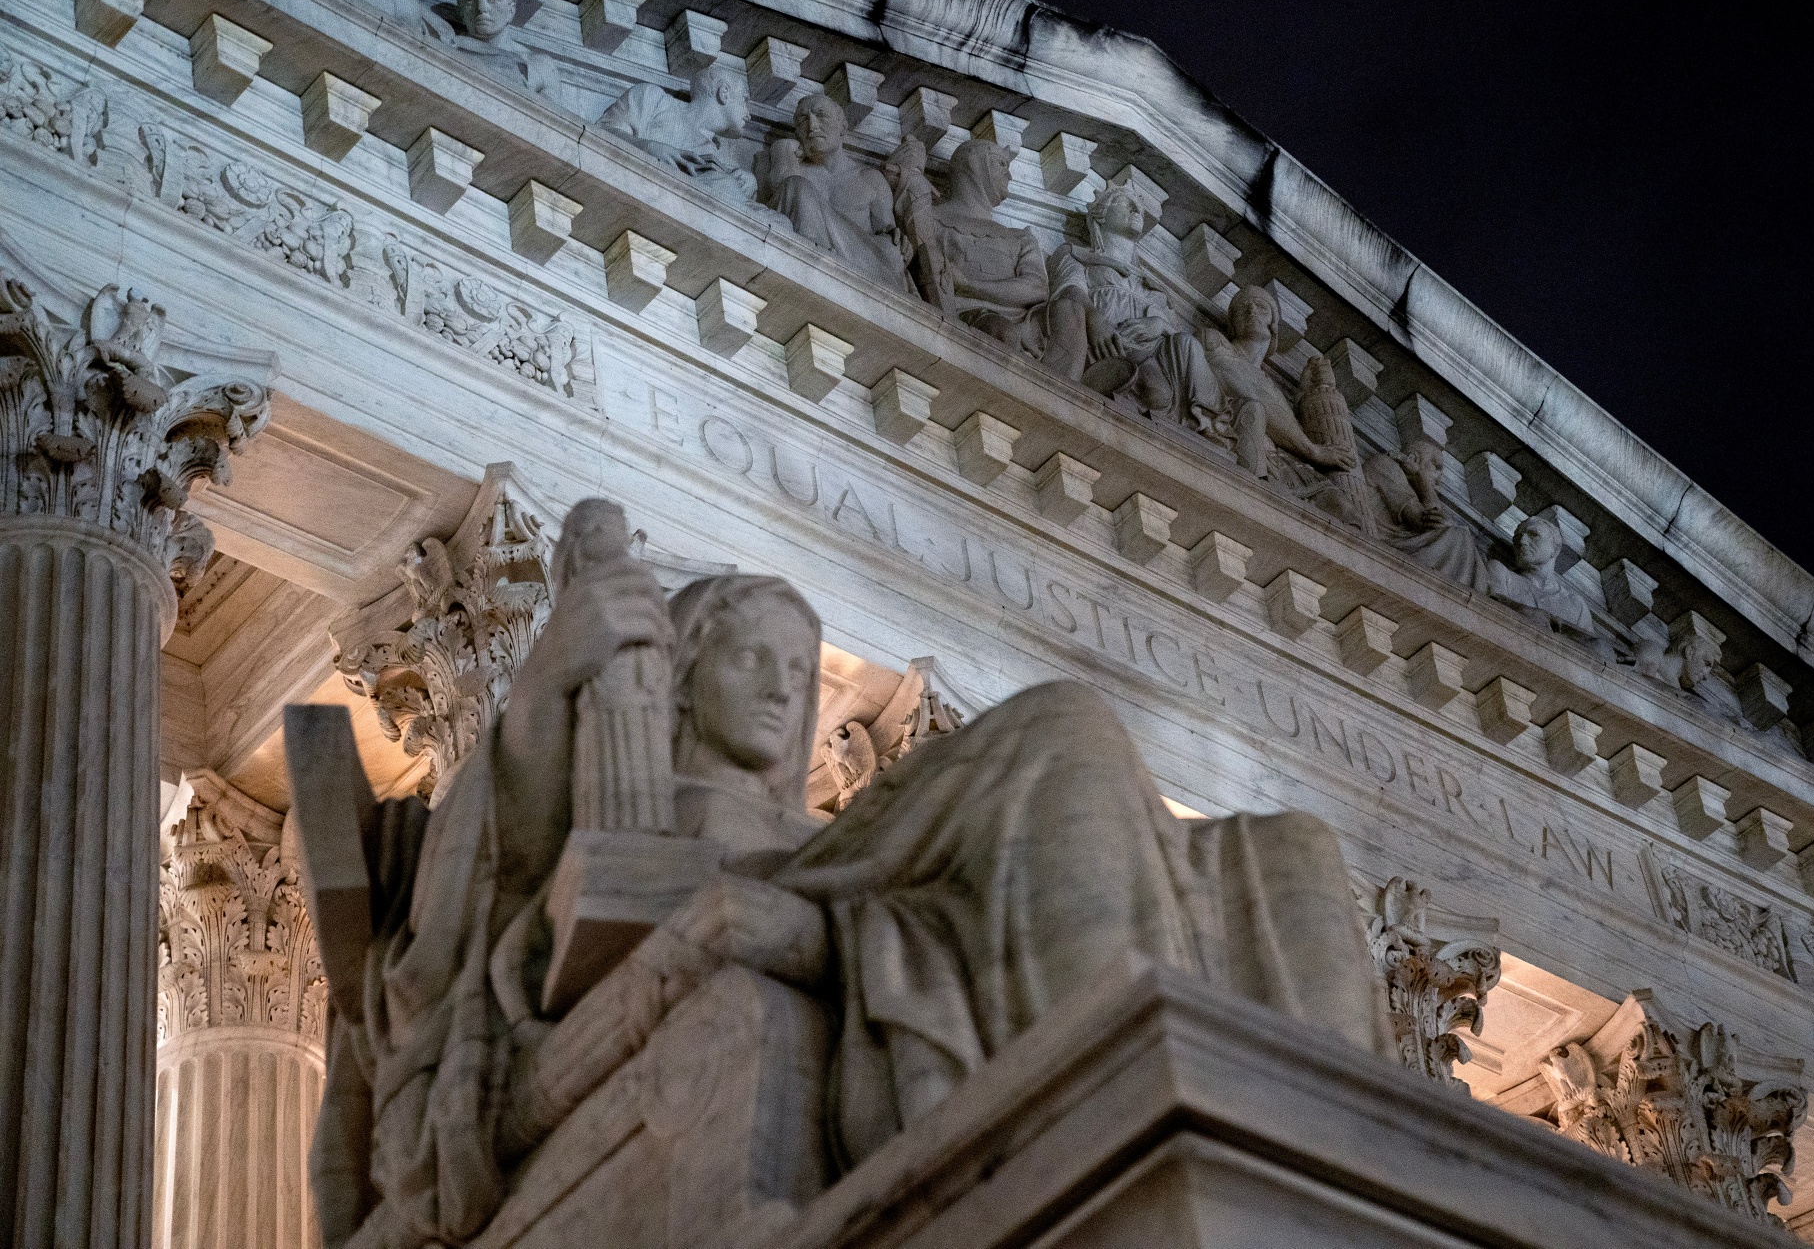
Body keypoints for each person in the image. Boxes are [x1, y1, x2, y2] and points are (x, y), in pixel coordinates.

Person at [310, 501, 1393, 1241]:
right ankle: (1115, 1119)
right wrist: (549, 679)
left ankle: (1349, 1185)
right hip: (773, 918)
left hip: (851, 889)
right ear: (682, 674)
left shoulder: (815, 824)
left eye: (798, 666)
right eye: (752, 659)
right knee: (1065, 729)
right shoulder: (601, 787)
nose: (786, 689)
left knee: (1290, 852)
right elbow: (450, 961)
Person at [1044, 184, 1221, 434]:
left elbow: (1166, 322)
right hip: (1101, 342)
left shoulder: (1151, 285)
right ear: (1099, 215)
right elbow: (1068, 290)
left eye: (1138, 205)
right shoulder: (1075, 255)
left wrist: (1158, 325)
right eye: (1123, 202)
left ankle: (1210, 426)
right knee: (1150, 389)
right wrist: (1094, 318)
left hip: (1147, 350)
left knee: (1169, 378)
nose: (1135, 209)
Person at [1200, 285, 1357, 478]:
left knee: (1341, 505)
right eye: (1242, 309)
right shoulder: (1213, 339)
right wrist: (1311, 450)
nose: (1251, 311)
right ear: (1232, 324)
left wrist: (1304, 399)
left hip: (1279, 464)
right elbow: (1246, 388)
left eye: (1261, 307)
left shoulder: (1272, 387)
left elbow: (1277, 419)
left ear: (1273, 324)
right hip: (1240, 451)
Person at [764, 95, 908, 289]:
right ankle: (816, 262)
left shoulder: (870, 178)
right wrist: (783, 153)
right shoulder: (797, 175)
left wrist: (899, 239)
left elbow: (888, 238)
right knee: (797, 186)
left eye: (821, 116)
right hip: (816, 266)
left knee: (890, 250)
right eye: (803, 120)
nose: (812, 126)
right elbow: (775, 207)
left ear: (843, 127)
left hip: (862, 265)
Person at [925, 137, 1049, 353]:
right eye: (1000, 163)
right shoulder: (931, 219)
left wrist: (969, 285)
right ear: (974, 163)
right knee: (1003, 332)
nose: (1009, 175)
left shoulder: (1021, 238)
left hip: (1027, 325)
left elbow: (1037, 289)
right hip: (969, 319)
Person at [596, 66, 757, 203]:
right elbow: (601, 132)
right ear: (724, 92)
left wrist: (749, 184)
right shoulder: (654, 99)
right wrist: (648, 148)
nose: (749, 115)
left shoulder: (718, 155)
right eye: (744, 100)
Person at [446, 0, 559, 103]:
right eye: (471, 0)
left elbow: (547, 120)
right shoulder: (448, 43)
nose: (482, 8)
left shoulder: (539, 66)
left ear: (511, 10)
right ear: (462, 11)